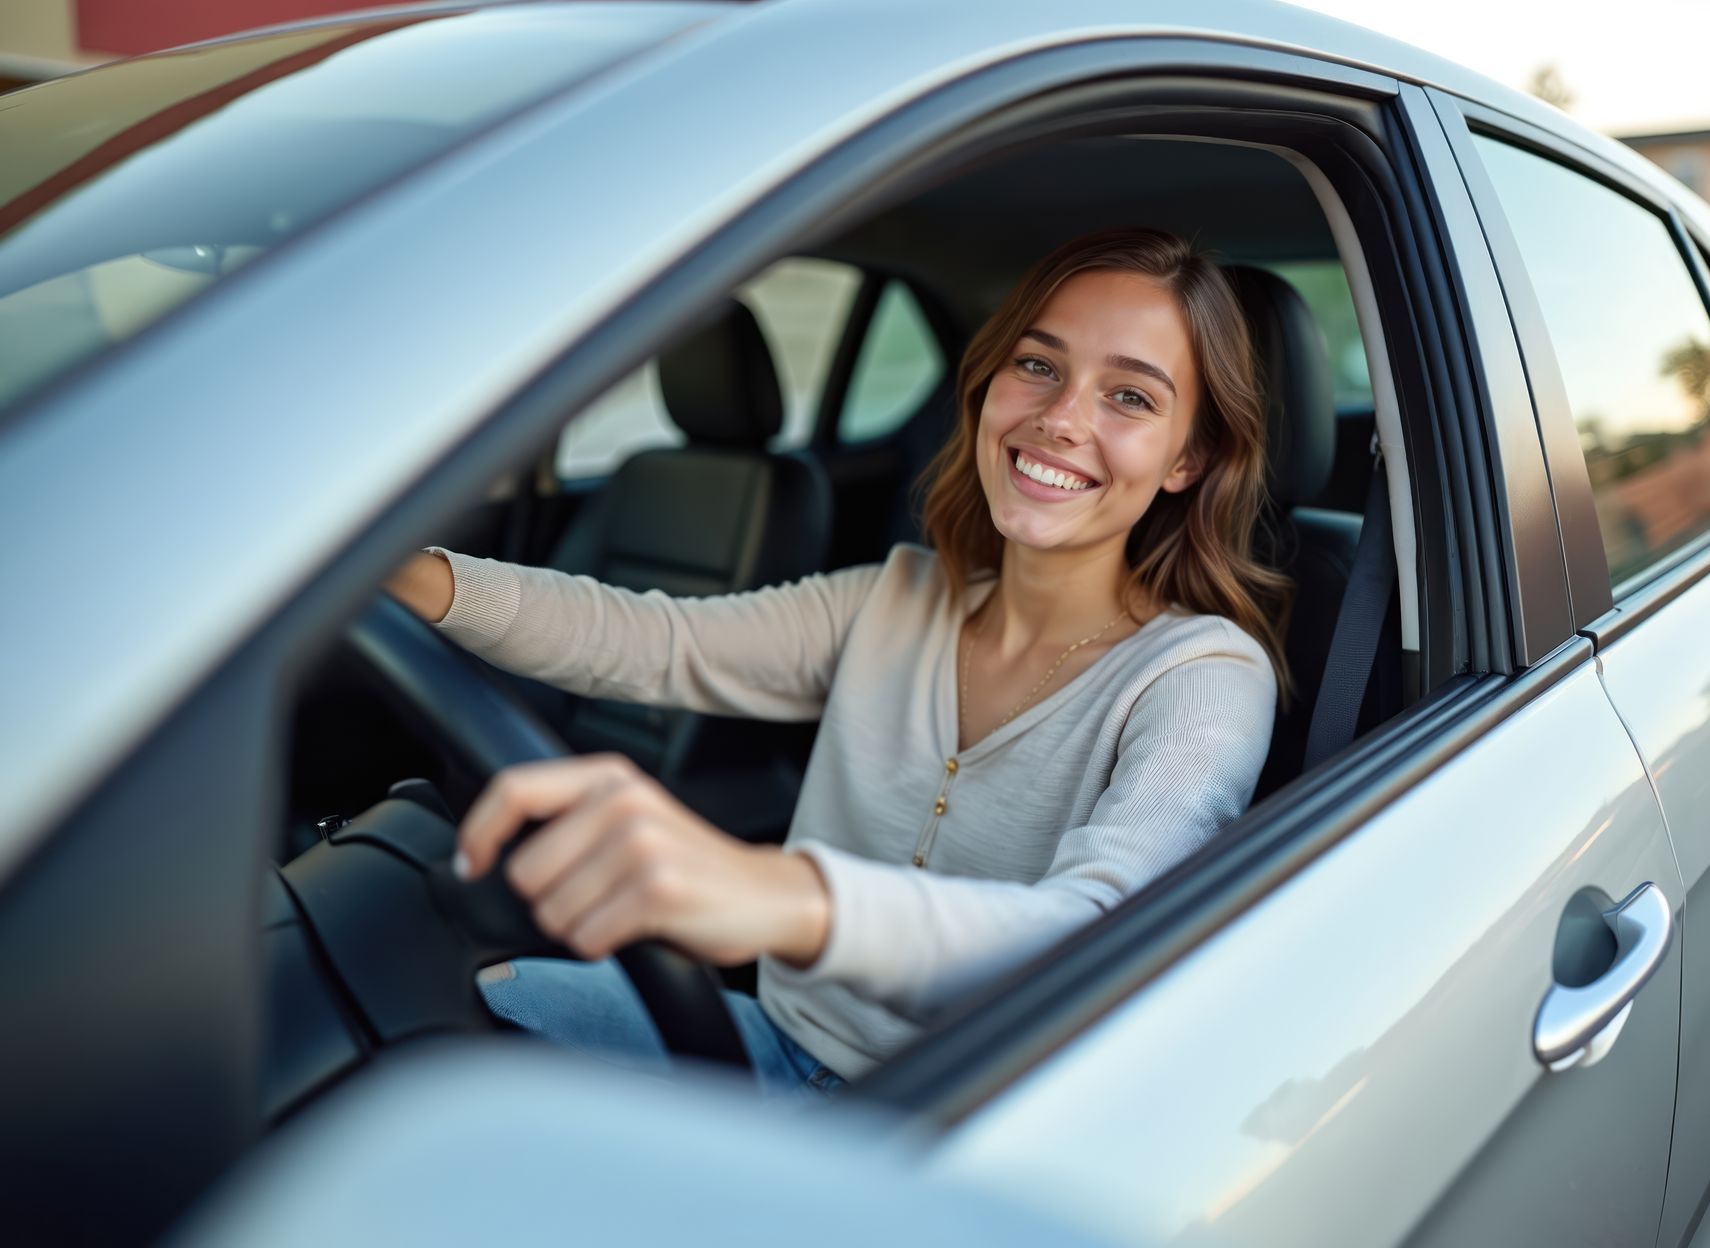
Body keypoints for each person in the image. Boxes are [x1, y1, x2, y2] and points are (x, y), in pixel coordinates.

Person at [383, 226, 1290, 1101]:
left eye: (1130, 397)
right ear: (986, 387)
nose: (1060, 418)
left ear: (1190, 458)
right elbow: (653, 641)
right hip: (761, 1047)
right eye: (1038, 366)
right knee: (405, 1011)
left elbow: (1097, 932)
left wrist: (782, 895)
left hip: (955, 1117)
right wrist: (402, 579)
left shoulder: (1203, 679)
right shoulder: (894, 599)